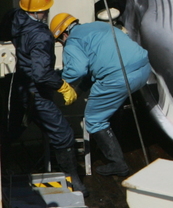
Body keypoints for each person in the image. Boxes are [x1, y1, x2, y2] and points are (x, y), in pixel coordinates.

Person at [2, 0, 85, 194]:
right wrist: (62, 86)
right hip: (35, 92)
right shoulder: (41, 36)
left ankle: (4, 171)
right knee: (64, 134)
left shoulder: (14, 18)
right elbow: (41, 74)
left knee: (12, 130)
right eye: (46, 10)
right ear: (38, 12)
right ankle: (74, 181)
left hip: (17, 86)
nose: (48, 13)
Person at [51, 12, 150, 177]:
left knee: (94, 119)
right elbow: (92, 69)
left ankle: (118, 163)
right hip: (143, 69)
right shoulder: (97, 26)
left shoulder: (72, 42)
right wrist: (79, 90)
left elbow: (78, 69)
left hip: (118, 77)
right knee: (112, 106)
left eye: (60, 40)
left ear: (64, 35)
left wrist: (59, 82)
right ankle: (111, 142)